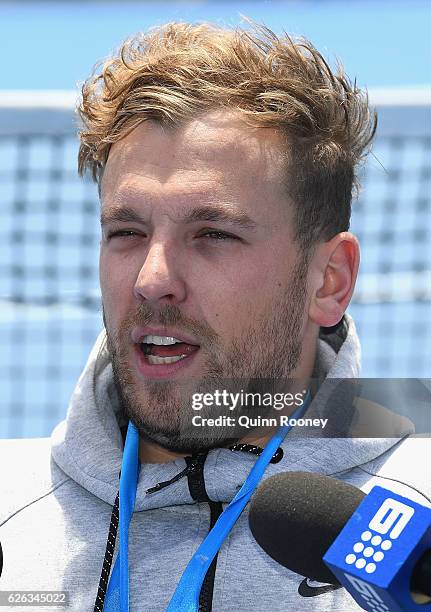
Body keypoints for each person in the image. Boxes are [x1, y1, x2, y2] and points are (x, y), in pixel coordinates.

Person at [1, 20, 430, 612]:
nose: (152, 278)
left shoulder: (421, 532)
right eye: (126, 231)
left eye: (213, 234)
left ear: (330, 281)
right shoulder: (10, 513)